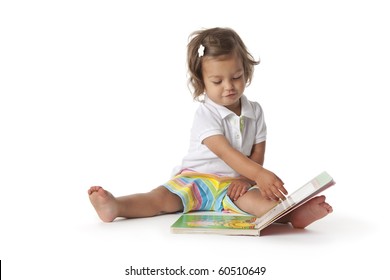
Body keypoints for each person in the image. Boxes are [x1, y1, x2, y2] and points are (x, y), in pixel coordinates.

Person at [88, 27, 333, 229]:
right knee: (159, 200)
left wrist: (248, 179)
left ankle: (294, 216)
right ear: (202, 81)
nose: (229, 86)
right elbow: (226, 152)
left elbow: (257, 154)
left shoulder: (255, 111)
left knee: (261, 202)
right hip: (196, 179)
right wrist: (258, 174)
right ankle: (115, 206)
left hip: (234, 184)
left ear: (245, 71)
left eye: (236, 76)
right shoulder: (205, 115)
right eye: (217, 81)